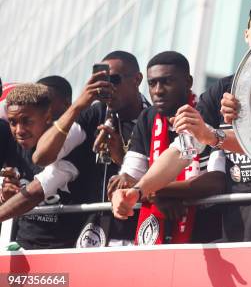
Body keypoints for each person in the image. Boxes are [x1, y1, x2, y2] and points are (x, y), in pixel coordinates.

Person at [112, 0, 251, 242]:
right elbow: (183, 149)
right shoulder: (222, 88)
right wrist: (139, 191)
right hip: (235, 227)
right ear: (246, 33)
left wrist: (212, 136)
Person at [33, 51, 149, 246]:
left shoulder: (152, 117)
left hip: (137, 235)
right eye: (102, 81)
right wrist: (79, 104)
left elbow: (158, 178)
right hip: (92, 236)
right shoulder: (95, 114)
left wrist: (121, 158)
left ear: (137, 79)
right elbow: (41, 157)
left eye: (114, 79)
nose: (107, 87)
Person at [114, 51, 225, 244]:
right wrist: (147, 191)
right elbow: (130, 180)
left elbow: (216, 181)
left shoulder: (206, 111)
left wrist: (158, 191)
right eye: (152, 83)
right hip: (156, 234)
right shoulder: (147, 118)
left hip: (207, 235)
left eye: (167, 82)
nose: (158, 90)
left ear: (188, 82)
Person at [0, 84, 96, 249]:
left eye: (26, 121)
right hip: (22, 248)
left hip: (68, 251)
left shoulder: (68, 143)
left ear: (48, 116)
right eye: (13, 122)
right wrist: (5, 195)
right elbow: (11, 199)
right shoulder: (11, 145)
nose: (19, 130)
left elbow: (34, 193)